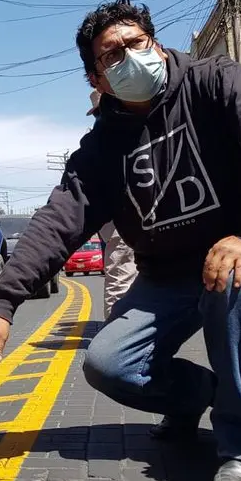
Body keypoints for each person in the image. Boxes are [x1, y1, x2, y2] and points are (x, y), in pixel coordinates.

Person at [0, 0, 241, 481]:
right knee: (109, 365)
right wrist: (1, 306)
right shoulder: (101, 149)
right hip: (171, 273)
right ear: (97, 79)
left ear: (157, 46)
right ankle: (200, 395)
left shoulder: (216, 80)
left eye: (136, 43)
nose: (129, 57)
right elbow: (56, 222)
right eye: (112, 55)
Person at [89, 91, 140, 320]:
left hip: (120, 221)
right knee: (122, 277)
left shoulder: (102, 135)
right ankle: (115, 330)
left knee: (124, 277)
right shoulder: (110, 135)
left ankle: (122, 328)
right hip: (124, 218)